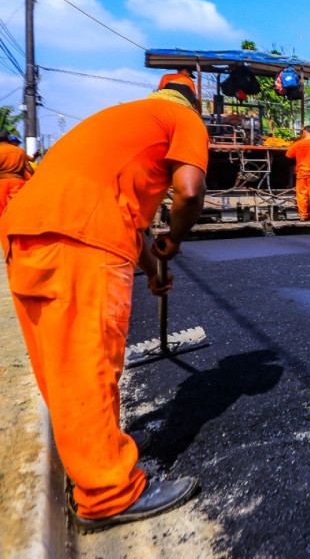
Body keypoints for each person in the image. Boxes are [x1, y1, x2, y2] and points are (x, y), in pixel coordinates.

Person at [0, 73, 208, 530]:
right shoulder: (183, 117)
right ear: (193, 100)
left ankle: (91, 465)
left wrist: (154, 273)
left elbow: (124, 210)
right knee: (90, 361)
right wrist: (173, 238)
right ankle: (109, 494)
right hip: (83, 235)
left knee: (63, 366)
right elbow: (190, 192)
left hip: (26, 232)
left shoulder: (120, 118)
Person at [0, 134, 33, 216]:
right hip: (17, 182)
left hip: (1, 183)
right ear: (8, 139)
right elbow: (28, 167)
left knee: (2, 209)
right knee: (17, 207)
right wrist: (34, 177)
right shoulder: (20, 151)